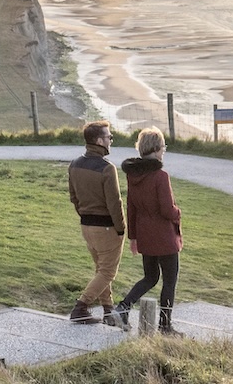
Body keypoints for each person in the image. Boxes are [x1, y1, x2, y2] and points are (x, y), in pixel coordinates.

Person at [109, 127, 184, 335]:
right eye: (163, 147)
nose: (164, 151)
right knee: (169, 281)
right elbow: (167, 209)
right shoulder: (160, 175)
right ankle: (165, 326)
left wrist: (134, 237)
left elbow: (131, 208)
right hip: (164, 237)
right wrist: (178, 213)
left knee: (150, 277)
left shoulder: (133, 175)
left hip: (145, 236)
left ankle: (123, 307)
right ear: (157, 148)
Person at [67, 120, 126, 325]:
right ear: (100, 140)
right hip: (106, 227)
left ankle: (108, 311)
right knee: (108, 271)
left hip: (86, 225)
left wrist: (84, 215)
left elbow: (74, 197)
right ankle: (81, 307)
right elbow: (115, 203)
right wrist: (121, 229)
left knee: (101, 269)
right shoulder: (107, 169)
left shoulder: (74, 164)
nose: (111, 140)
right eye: (109, 137)